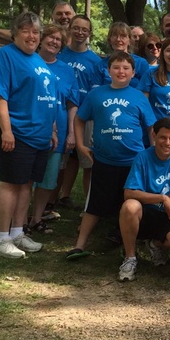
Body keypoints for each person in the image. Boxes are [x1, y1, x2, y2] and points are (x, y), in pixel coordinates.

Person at [66, 52, 157, 260]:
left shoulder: (138, 97)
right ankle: (79, 245)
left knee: (131, 205)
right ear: (108, 71)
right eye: (116, 67)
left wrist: (152, 154)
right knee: (95, 204)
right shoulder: (96, 95)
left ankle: (132, 246)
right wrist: (80, 144)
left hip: (133, 162)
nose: (121, 71)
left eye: (126, 68)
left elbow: (151, 127)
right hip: (104, 160)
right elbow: (79, 119)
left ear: (133, 72)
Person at [0, 12, 58, 258]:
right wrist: (6, 131)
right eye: (26, 31)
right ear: (14, 33)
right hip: (15, 131)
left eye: (36, 32)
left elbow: (48, 99)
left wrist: (52, 130)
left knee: (27, 184)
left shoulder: (37, 60)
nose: (31, 36)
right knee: (11, 183)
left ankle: (18, 232)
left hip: (39, 135)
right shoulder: (4, 56)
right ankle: (1, 238)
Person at [118, 118, 170, 281]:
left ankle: (155, 244)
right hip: (145, 213)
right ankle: (130, 258)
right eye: (163, 137)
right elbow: (128, 192)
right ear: (154, 135)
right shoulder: (143, 157)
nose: (167, 143)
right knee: (130, 206)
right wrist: (163, 198)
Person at [29, 25, 80, 234]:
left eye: (59, 39)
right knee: (26, 179)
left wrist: (70, 132)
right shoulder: (29, 62)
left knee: (48, 180)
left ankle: (36, 219)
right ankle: (20, 220)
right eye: (50, 37)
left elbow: (72, 102)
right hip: (31, 129)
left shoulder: (67, 70)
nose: (54, 42)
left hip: (58, 134)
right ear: (41, 39)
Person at [57, 15, 101, 209]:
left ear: (89, 33)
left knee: (88, 163)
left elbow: (97, 92)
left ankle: (89, 206)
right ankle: (54, 200)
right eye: (76, 28)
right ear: (70, 29)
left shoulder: (95, 61)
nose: (80, 32)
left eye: (84, 29)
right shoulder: (59, 55)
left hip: (86, 117)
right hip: (61, 113)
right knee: (60, 159)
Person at [92, 22, 150, 88]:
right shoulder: (100, 65)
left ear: (130, 40)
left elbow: (145, 91)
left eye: (123, 36)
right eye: (114, 35)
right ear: (110, 40)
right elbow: (95, 92)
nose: (118, 39)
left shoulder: (141, 63)